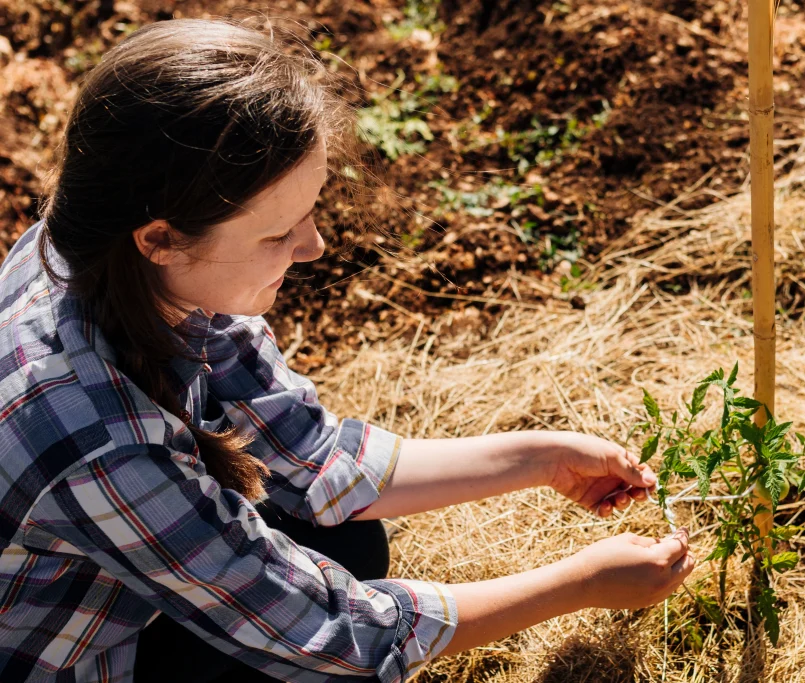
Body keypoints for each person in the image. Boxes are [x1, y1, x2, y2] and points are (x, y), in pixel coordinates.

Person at [0, 18, 695, 683]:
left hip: (124, 591)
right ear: (161, 237)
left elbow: (320, 457)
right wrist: (579, 584)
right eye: (278, 234)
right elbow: (339, 633)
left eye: (311, 213)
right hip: (66, 660)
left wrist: (542, 458)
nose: (313, 247)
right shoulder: (96, 438)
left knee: (347, 540)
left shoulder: (107, 255)